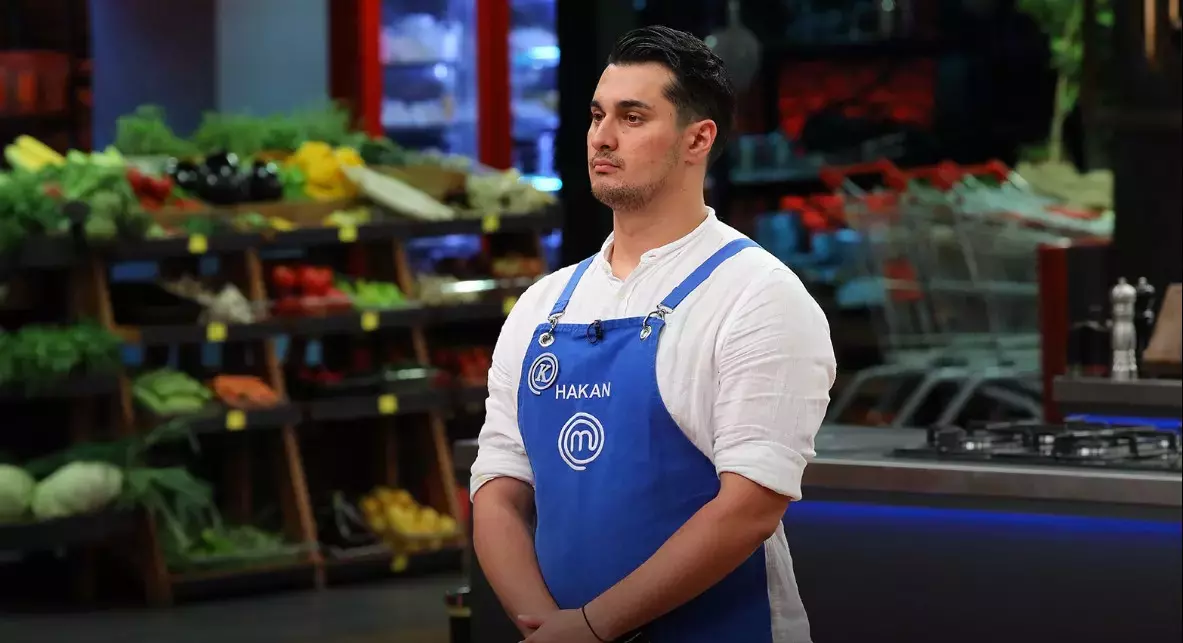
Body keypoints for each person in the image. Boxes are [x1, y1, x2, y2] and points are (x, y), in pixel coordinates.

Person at [470, 25, 835, 643]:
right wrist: (545, 627)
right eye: (597, 116)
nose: (603, 137)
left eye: (633, 117)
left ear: (698, 139)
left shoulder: (758, 295)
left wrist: (592, 628)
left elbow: (749, 508)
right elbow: (498, 490)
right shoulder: (542, 306)